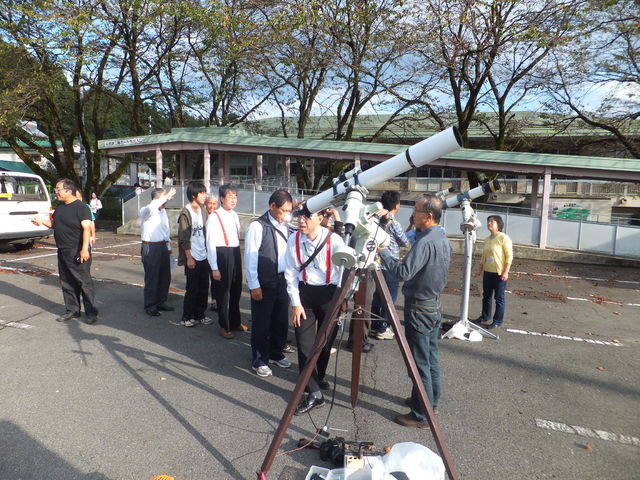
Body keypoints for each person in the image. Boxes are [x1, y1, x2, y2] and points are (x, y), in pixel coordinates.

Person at [379, 194, 451, 428]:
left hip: (420, 307)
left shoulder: (425, 242)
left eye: (416, 211)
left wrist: (382, 252)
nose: (412, 215)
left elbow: (403, 273)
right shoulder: (441, 237)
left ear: (428, 216)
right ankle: (430, 401)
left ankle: (421, 414)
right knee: (430, 358)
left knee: (419, 363)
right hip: (433, 304)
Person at [284, 210, 345, 415]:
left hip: (329, 294)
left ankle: (319, 376)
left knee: (325, 343)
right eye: (299, 216)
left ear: (320, 219)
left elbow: (345, 272)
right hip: (305, 295)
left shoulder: (334, 240)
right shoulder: (294, 239)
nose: (301, 220)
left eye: (307, 217)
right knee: (304, 344)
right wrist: (296, 303)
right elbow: (290, 272)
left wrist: (342, 298)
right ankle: (314, 392)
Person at [32, 179, 99, 324]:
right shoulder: (60, 208)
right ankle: (72, 310)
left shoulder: (81, 207)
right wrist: (41, 221)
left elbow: (86, 228)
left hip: (77, 249)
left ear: (68, 191)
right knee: (67, 281)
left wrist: (84, 249)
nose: (56, 192)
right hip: (62, 249)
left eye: (58, 189)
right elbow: (53, 224)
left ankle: (91, 312)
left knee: (83, 281)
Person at [245, 189, 295, 377]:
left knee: (280, 320)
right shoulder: (258, 227)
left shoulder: (287, 225)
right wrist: (254, 285)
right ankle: (259, 360)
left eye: (289, 211)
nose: (286, 215)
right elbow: (250, 257)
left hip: (283, 280)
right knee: (262, 323)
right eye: (284, 211)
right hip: (264, 282)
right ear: (272, 206)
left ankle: (276, 352)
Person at [206, 184, 248, 338]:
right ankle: (224, 325)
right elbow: (210, 243)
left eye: (235, 196)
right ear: (222, 198)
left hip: (235, 252)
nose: (233, 200)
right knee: (223, 292)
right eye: (230, 197)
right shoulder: (214, 217)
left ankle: (235, 321)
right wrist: (214, 267)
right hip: (221, 254)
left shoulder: (235, 215)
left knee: (236, 289)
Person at [370, 190, 410, 340]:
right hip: (390, 265)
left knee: (377, 296)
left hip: (376, 263)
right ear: (397, 205)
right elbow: (405, 242)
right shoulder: (394, 223)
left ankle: (374, 325)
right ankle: (383, 328)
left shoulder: (376, 218)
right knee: (390, 298)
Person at [178, 182, 213, 327]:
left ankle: (200, 315)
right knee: (192, 289)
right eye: (202, 193)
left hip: (204, 255)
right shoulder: (185, 213)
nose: (205, 196)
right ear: (193, 195)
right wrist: (189, 258)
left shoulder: (203, 211)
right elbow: (184, 238)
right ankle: (187, 317)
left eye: (205, 193)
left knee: (204, 288)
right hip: (192, 256)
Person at [140, 186, 176, 316]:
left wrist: (169, 247)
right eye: (164, 198)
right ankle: (150, 305)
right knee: (152, 277)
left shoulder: (163, 212)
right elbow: (152, 207)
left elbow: (165, 231)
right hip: (150, 246)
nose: (167, 201)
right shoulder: (146, 210)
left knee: (165, 276)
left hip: (162, 246)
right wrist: (165, 197)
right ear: (156, 199)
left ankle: (161, 301)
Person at [475, 215, 513, 329]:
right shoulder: (487, 239)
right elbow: (484, 256)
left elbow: (509, 256)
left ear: (498, 224)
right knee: (486, 296)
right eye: (488, 221)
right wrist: (480, 268)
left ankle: (497, 321)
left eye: (492, 222)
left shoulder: (503, 238)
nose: (489, 223)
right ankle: (485, 316)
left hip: (499, 273)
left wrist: (506, 272)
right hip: (488, 272)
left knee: (499, 298)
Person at [205, 194, 219, 312]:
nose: (212, 206)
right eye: (209, 203)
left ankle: (215, 300)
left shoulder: (218, 217)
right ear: (205, 204)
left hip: (215, 251)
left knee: (215, 277)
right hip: (202, 252)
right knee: (204, 278)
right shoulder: (201, 215)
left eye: (214, 203)